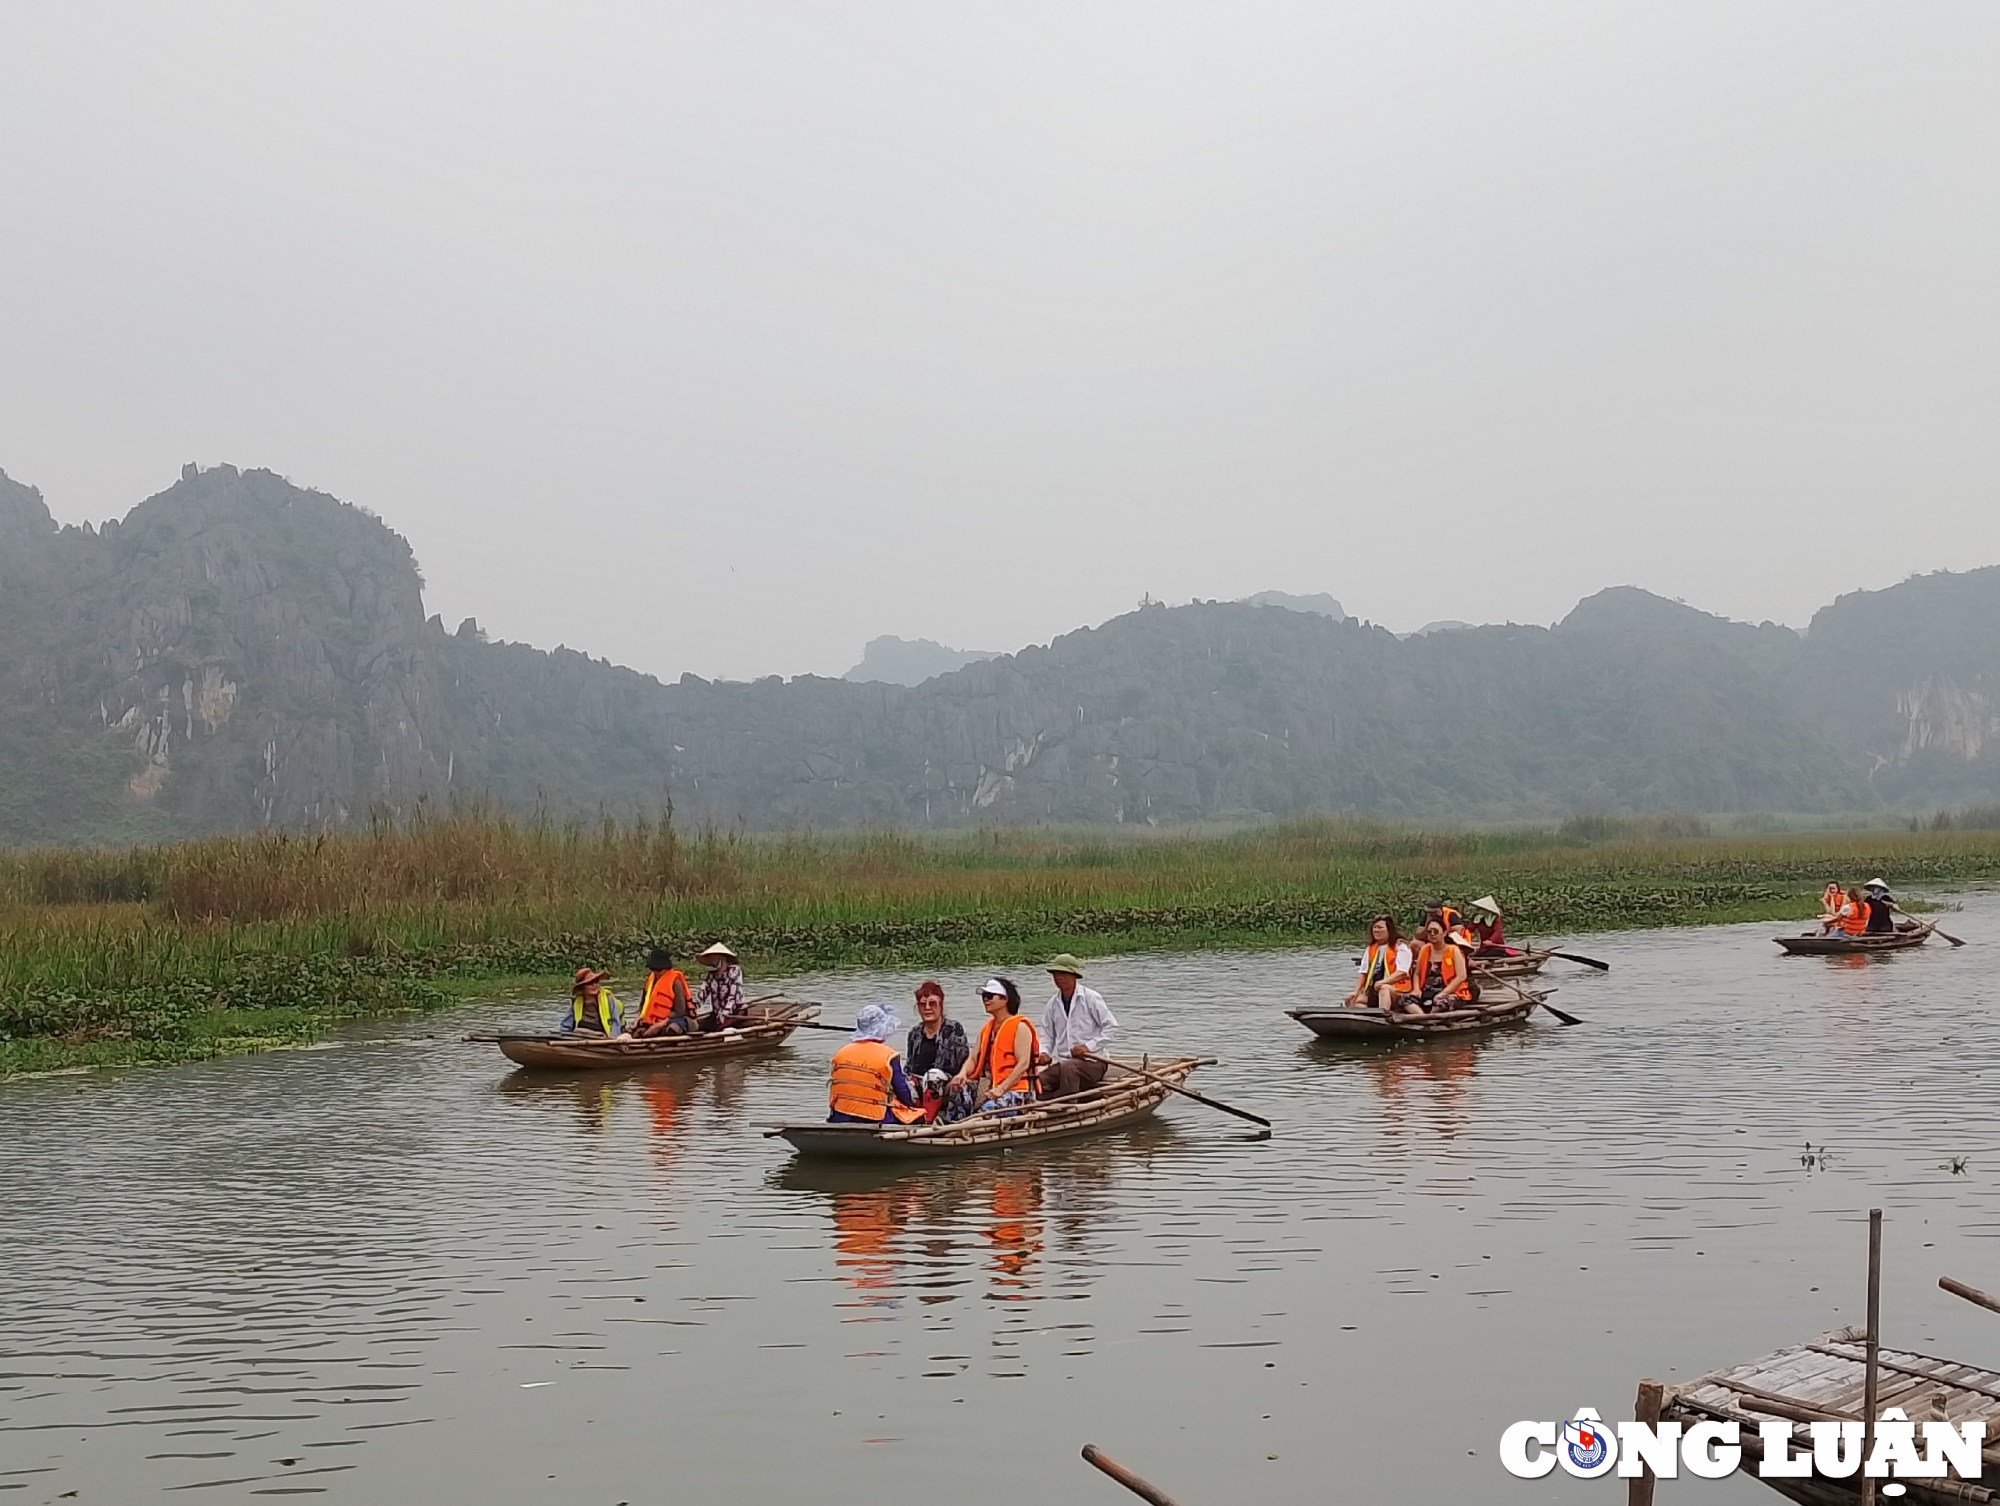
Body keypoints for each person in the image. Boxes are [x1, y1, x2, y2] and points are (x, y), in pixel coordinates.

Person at [1036, 953, 1117, 1100]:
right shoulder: (1052, 1004)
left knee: (1069, 1068)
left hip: (1094, 1062)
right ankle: (1046, 1101)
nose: (1059, 978)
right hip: (1064, 1063)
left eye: (1064, 973)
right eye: (1056, 974)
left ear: (1074, 976)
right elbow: (1047, 1035)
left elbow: (1110, 1027)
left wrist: (1088, 1047)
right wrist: (1044, 1053)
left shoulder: (1090, 998)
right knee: (1039, 1079)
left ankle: (1068, 1104)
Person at [951, 978, 1040, 1112]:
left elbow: (1023, 1063)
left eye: (990, 996)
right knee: (960, 1091)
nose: (985, 1000)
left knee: (989, 1110)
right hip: (990, 1087)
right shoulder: (987, 1028)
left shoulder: (1020, 1027)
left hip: (1017, 1090)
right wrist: (962, 1074)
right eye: (984, 996)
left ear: (1005, 999)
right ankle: (953, 1125)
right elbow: (973, 1058)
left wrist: (1001, 1089)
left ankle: (972, 1127)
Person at [827, 1003, 921, 1124]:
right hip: (875, 1118)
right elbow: (903, 1091)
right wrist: (910, 1104)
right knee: (916, 1115)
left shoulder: (841, 1053)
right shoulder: (888, 1056)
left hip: (839, 1116)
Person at [905, 980, 974, 1121]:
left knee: (933, 1076)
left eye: (932, 1004)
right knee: (902, 1083)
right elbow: (910, 1066)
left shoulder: (954, 1029)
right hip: (920, 1083)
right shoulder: (915, 1033)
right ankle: (912, 1117)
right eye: (923, 1005)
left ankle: (928, 1122)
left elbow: (960, 1064)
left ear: (941, 1005)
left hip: (947, 1082)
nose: (927, 1008)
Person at [1345, 915, 1413, 1010]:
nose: (1376, 930)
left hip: (1397, 990)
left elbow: (1402, 972)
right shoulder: (1371, 948)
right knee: (1352, 1001)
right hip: (1374, 990)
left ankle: (1383, 1016)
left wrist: (1383, 982)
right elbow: (1363, 973)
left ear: (1389, 930)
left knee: (1384, 989)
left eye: (1380, 927)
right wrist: (1355, 992)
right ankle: (1369, 1018)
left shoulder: (1400, 946)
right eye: (1375, 927)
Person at [1409, 922, 1477, 1011]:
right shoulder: (1425, 949)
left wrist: (1444, 993)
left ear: (1444, 933)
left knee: (1439, 1002)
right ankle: (1421, 1017)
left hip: (1450, 991)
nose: (1432, 934)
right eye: (1429, 932)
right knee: (1406, 999)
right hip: (1427, 991)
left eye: (1436, 931)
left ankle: (1431, 1017)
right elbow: (1417, 973)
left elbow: (1461, 976)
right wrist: (1416, 990)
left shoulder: (1454, 950)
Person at [631, 947, 696, 1038]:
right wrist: (638, 1018)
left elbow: (680, 1011)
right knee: (636, 1032)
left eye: (658, 970)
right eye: (653, 969)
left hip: (674, 1019)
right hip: (652, 1020)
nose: (656, 972)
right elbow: (643, 1005)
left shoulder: (675, 982)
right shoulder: (651, 981)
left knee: (672, 1029)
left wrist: (660, 1024)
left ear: (666, 968)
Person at [562, 966, 628, 1037]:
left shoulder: (608, 999)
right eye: (590, 983)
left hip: (603, 1037)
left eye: (596, 982)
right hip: (582, 1037)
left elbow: (615, 1022)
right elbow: (566, 1026)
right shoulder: (576, 1003)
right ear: (582, 987)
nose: (594, 985)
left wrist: (613, 1039)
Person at [694, 943, 747, 1030]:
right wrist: (691, 1008)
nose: (712, 961)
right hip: (717, 1013)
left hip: (734, 1012)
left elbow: (732, 997)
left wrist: (723, 1015)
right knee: (701, 1028)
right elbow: (701, 995)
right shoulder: (711, 976)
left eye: (714, 958)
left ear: (722, 958)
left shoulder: (734, 972)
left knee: (718, 1028)